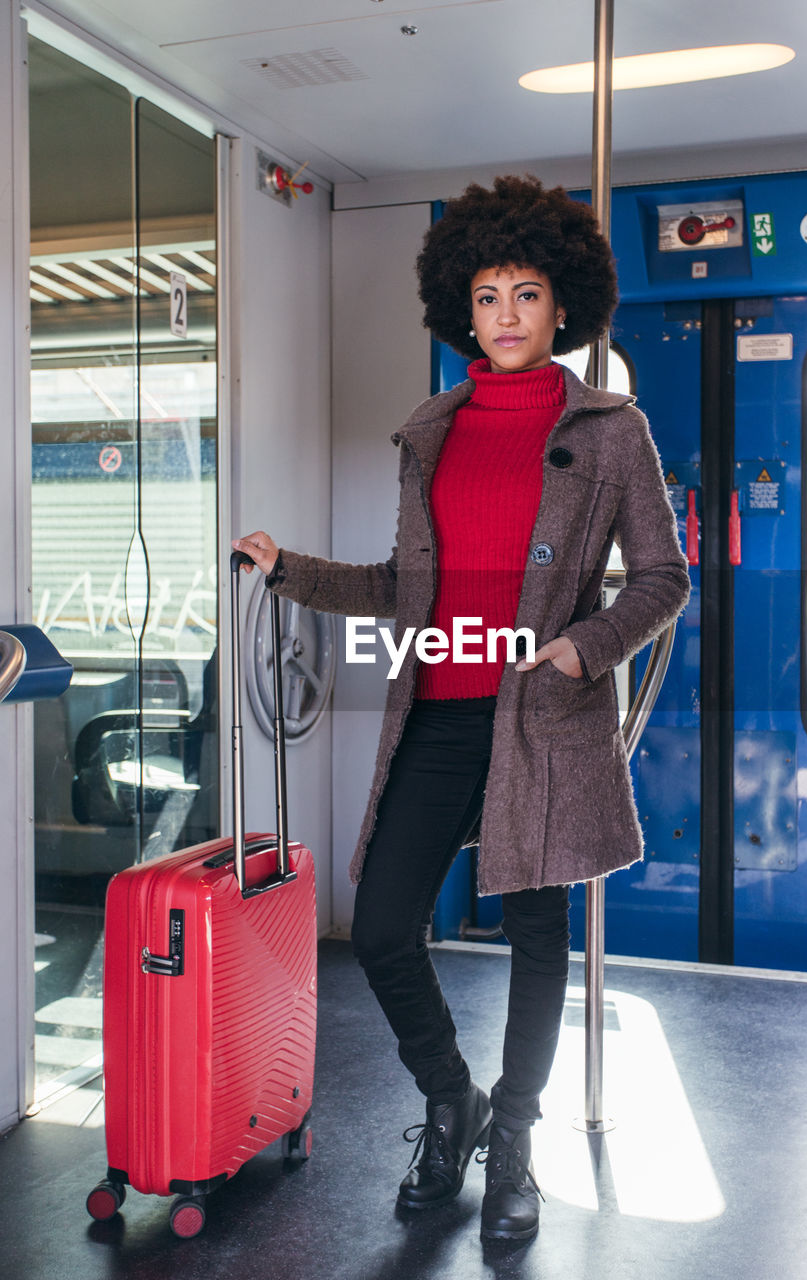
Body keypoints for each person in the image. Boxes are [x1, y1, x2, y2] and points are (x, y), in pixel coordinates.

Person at [233, 175, 690, 1243]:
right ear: (462, 310)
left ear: (561, 305)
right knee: (386, 923)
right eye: (487, 296)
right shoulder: (429, 429)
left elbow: (663, 578)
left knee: (537, 935)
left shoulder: (613, 429)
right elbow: (407, 584)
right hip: (435, 707)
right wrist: (289, 567)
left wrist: (584, 647)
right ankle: (453, 1099)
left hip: (544, 715)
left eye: (526, 293)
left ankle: (516, 1137)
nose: (507, 315)